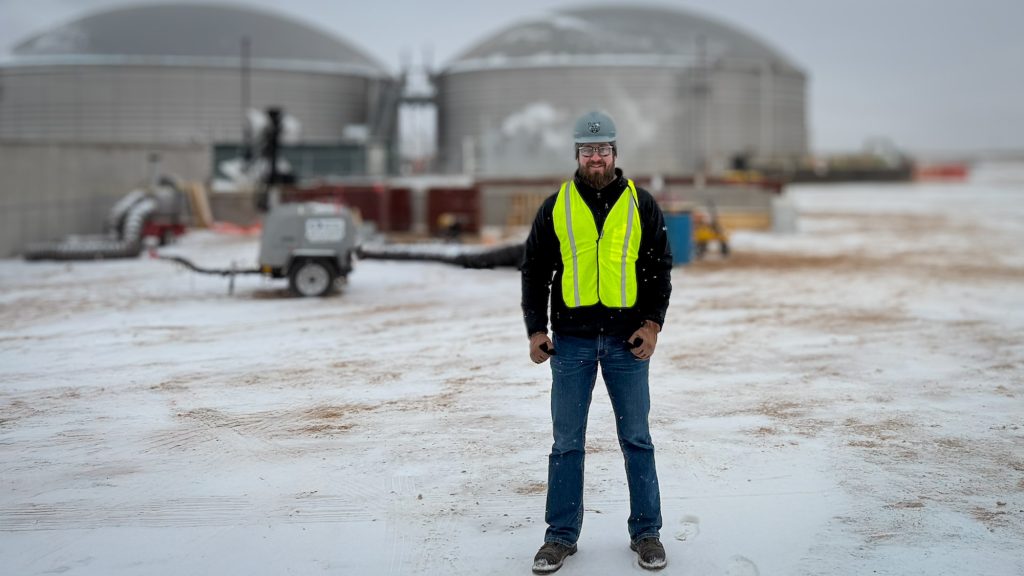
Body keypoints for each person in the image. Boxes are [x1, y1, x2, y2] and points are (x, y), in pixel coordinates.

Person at [521, 111, 673, 573]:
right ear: (577, 154)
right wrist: (536, 330)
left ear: (614, 153)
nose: (595, 158)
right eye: (588, 151)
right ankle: (560, 536)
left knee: (636, 439)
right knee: (566, 442)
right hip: (571, 344)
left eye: (603, 149)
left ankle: (646, 533)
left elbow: (658, 268)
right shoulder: (557, 206)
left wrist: (653, 325)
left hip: (628, 343)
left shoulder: (641, 204)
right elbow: (535, 270)